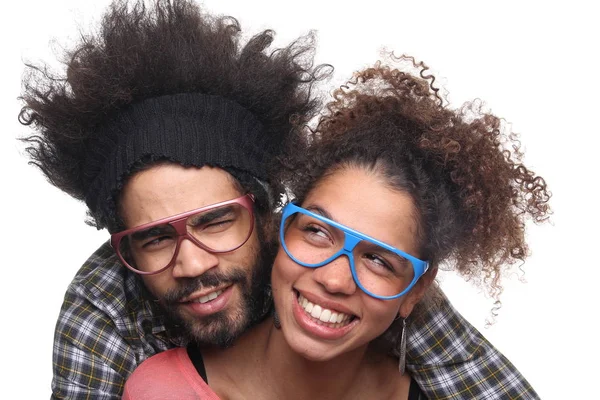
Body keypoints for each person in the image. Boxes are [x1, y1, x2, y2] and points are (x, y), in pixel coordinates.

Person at [20, 1, 543, 398]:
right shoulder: (103, 305)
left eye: (217, 220)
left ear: (270, 213)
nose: (193, 262)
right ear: (123, 247)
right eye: (155, 236)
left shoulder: (361, 263)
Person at [123, 58, 550, 399]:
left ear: (416, 291)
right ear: (278, 228)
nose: (333, 278)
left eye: (379, 260)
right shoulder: (160, 390)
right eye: (317, 232)